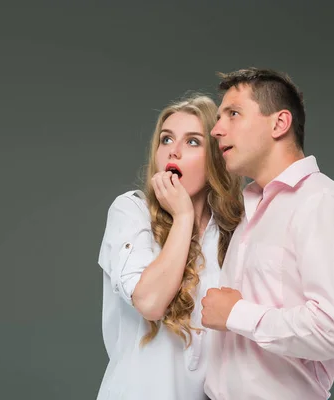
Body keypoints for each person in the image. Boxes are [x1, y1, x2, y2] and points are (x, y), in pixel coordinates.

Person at [200, 68, 334, 400]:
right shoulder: (251, 210)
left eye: (233, 114)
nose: (216, 130)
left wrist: (237, 314)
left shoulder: (324, 204)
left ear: (279, 124)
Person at [96, 94, 243, 399]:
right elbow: (150, 302)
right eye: (166, 139)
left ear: (216, 157)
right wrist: (184, 216)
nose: (173, 151)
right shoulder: (130, 211)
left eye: (192, 142)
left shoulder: (234, 230)